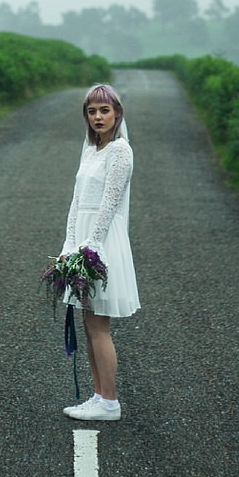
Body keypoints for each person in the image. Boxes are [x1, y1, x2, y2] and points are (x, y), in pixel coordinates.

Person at [58, 82, 140, 421]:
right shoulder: (90, 149)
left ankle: (110, 402)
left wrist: (91, 248)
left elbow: (109, 203)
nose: (98, 117)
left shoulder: (120, 151)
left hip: (102, 242)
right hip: (81, 240)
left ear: (117, 113)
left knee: (99, 325)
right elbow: (77, 201)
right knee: (89, 322)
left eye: (104, 110)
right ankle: (98, 395)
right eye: (92, 111)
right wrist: (68, 246)